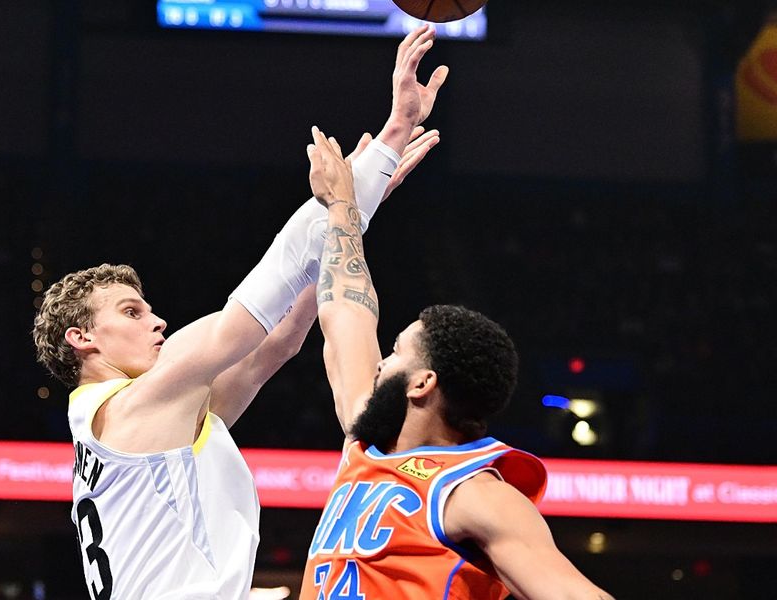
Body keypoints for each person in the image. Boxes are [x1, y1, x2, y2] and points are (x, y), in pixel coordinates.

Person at [31, 25, 447, 600]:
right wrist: (385, 143)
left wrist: (352, 210)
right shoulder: (133, 407)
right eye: (130, 312)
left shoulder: (154, 425)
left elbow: (277, 341)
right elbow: (249, 313)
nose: (157, 322)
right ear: (82, 338)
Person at [299, 129, 615, 599]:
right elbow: (346, 310)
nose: (382, 362)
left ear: (422, 382)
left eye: (396, 352)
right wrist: (344, 202)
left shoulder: (474, 492)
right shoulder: (365, 443)